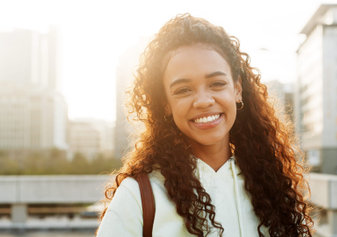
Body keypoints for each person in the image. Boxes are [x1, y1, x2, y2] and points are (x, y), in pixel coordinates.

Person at [96, 14, 313, 237]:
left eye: (217, 84)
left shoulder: (273, 187)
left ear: (237, 89)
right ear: (165, 104)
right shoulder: (137, 197)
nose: (203, 101)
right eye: (183, 90)